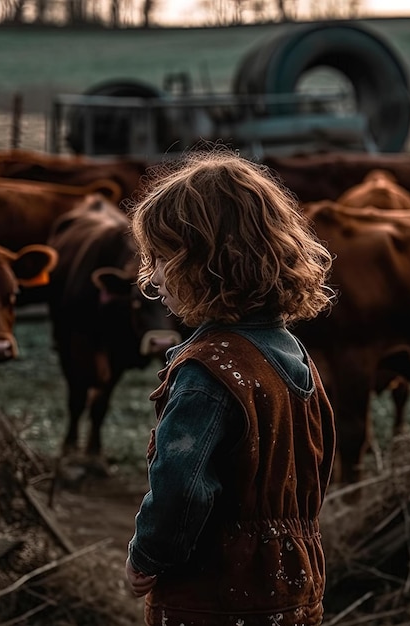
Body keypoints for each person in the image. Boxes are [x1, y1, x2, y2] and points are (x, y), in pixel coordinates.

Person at [124, 146, 337, 626]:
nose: (153, 274)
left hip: (215, 591)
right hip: (295, 581)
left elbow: (181, 487)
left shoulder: (208, 371)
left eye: (160, 257)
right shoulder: (293, 355)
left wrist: (147, 555)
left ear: (202, 264)